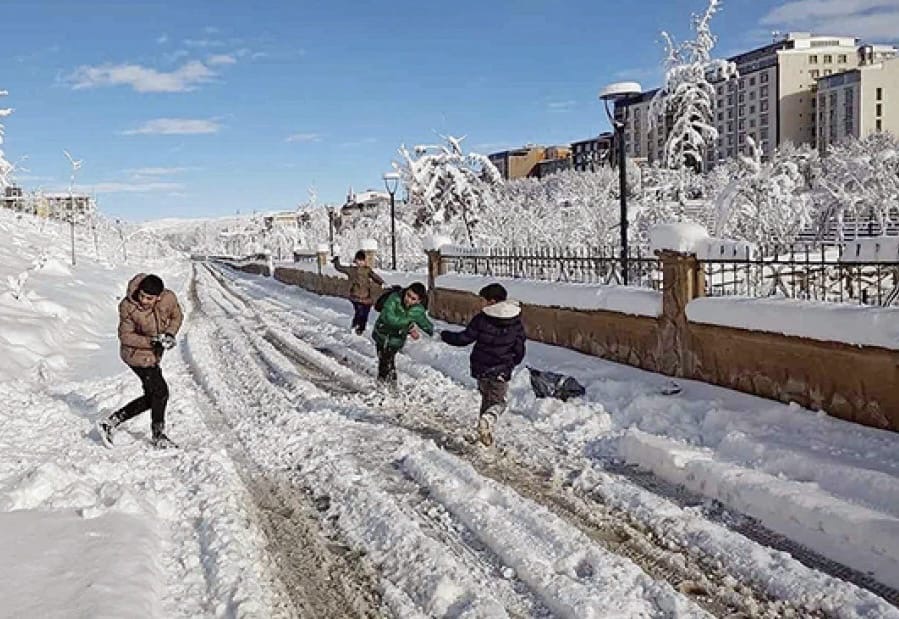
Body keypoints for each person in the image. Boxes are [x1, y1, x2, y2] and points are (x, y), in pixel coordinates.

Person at [96, 273, 183, 449]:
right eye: (142, 295)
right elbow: (125, 336)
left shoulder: (169, 298)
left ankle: (110, 423)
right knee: (161, 392)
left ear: (159, 297)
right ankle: (158, 436)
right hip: (135, 354)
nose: (143, 300)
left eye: (149, 298)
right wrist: (153, 341)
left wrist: (169, 334)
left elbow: (177, 316)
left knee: (154, 397)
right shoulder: (128, 306)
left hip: (153, 354)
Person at [439, 283, 526, 447]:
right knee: (499, 403)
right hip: (501, 370)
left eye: (483, 300)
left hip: (481, 369)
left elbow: (464, 338)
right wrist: (512, 363)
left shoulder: (481, 319)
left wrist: (445, 335)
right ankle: (486, 422)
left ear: (492, 301)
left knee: (487, 400)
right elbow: (519, 349)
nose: (481, 304)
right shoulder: (515, 322)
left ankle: (484, 432)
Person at [371, 282, 433, 385]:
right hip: (382, 334)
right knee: (384, 360)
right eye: (408, 295)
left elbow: (423, 322)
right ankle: (385, 384)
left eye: (413, 299)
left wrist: (435, 333)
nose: (408, 299)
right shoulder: (394, 299)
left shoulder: (417, 309)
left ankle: (387, 384)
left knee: (387, 360)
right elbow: (389, 318)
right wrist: (409, 326)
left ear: (419, 301)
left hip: (397, 338)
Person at [332, 250, 385, 335]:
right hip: (355, 296)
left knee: (365, 314)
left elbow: (375, 276)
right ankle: (355, 326)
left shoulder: (367, 270)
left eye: (362, 260)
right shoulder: (352, 270)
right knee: (359, 312)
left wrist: (382, 283)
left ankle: (361, 328)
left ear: (364, 261)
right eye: (358, 260)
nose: (360, 263)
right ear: (355, 260)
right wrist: (336, 262)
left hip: (367, 296)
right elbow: (340, 268)